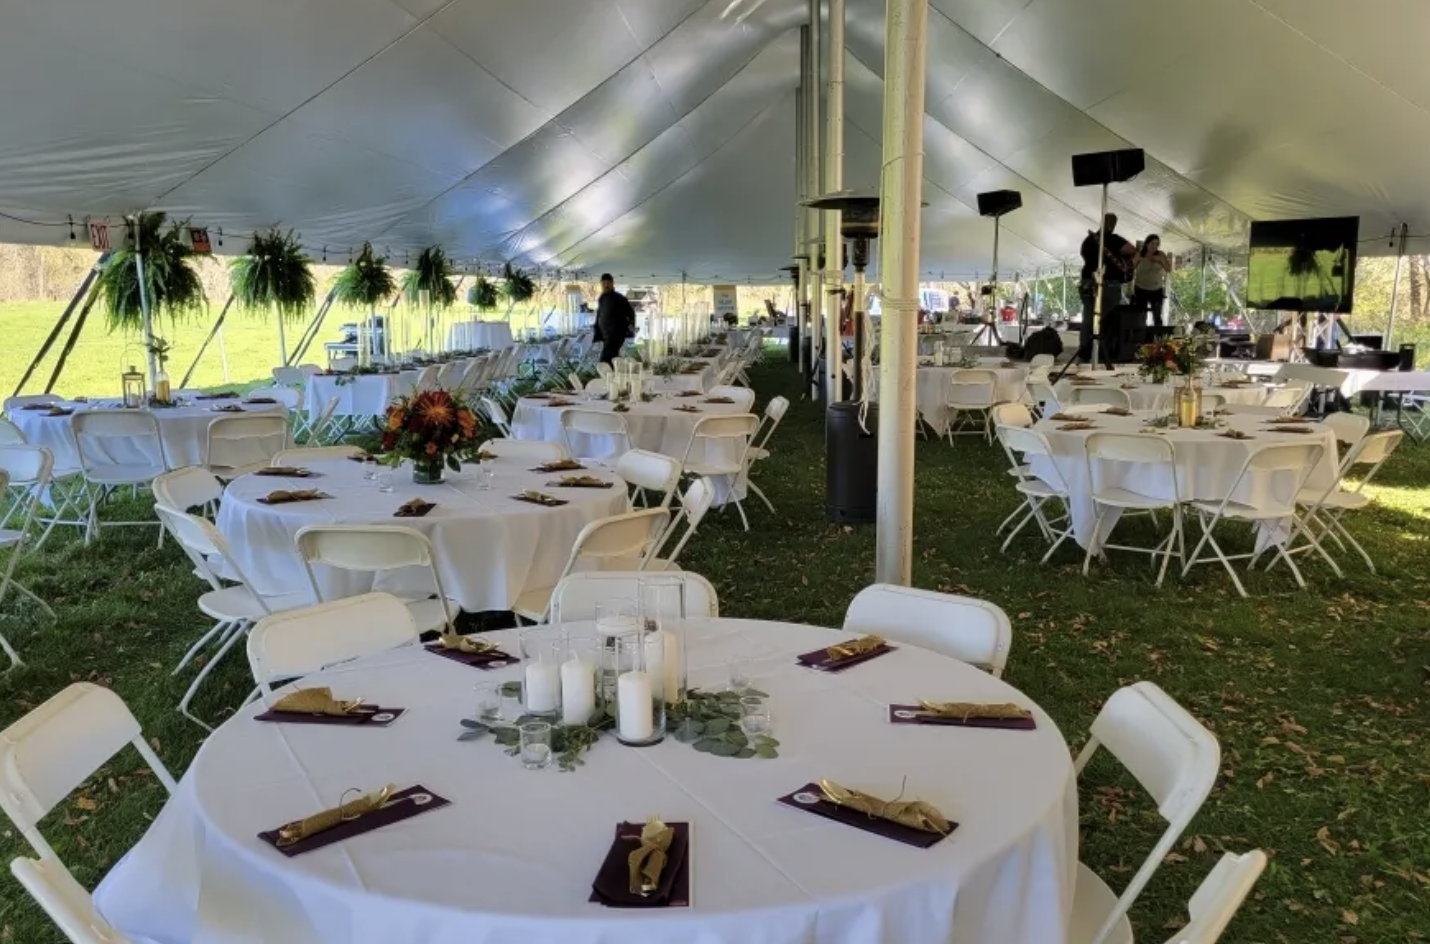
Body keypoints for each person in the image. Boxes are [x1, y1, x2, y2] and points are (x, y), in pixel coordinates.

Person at [1078, 213, 1134, 359]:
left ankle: (1085, 350)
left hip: (1088, 281)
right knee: (1106, 315)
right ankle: (1102, 349)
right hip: (1108, 283)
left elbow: (1083, 255)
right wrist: (1125, 261)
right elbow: (1132, 250)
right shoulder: (1114, 239)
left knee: (1089, 316)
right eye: (1112, 222)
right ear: (1112, 225)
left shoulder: (1089, 240)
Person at [1132, 234, 1172, 327]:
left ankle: (1158, 334)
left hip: (1156, 290)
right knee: (1141, 315)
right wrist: (1140, 259)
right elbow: (1132, 266)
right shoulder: (1140, 254)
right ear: (1147, 244)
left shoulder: (1161, 254)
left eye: (1157, 244)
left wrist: (1160, 260)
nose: (1154, 246)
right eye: (1152, 243)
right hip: (1141, 288)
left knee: (1157, 316)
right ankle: (1141, 333)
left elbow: (1168, 269)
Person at [595, 273, 635, 364]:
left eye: (608, 283)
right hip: (605, 334)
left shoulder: (619, 298)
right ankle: (613, 370)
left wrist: (631, 324)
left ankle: (605, 370)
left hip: (616, 333)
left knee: (606, 358)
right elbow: (600, 313)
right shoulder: (602, 298)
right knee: (611, 357)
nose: (606, 285)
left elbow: (630, 312)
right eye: (604, 283)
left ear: (612, 283)